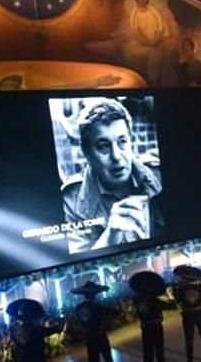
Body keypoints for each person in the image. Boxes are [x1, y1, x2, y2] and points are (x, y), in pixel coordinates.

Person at [61, 98, 163, 253]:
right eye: (103, 146)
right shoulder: (70, 199)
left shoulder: (158, 174)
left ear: (131, 142)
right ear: (87, 153)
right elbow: (78, 265)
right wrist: (110, 237)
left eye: (122, 142)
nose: (116, 156)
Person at [71, 281, 123, 362]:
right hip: (99, 335)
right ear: (94, 295)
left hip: (89, 337)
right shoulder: (96, 306)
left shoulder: (79, 307)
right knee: (107, 357)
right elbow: (113, 313)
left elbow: (78, 322)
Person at [131, 272, 176, 362]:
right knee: (159, 353)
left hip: (145, 328)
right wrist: (171, 296)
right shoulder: (155, 301)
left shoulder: (137, 300)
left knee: (148, 352)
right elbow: (172, 306)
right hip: (156, 327)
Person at [173, 271, 201, 362]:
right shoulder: (200, 287)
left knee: (189, 339)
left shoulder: (181, 289)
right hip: (200, 314)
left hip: (188, 315)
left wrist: (175, 288)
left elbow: (177, 300)